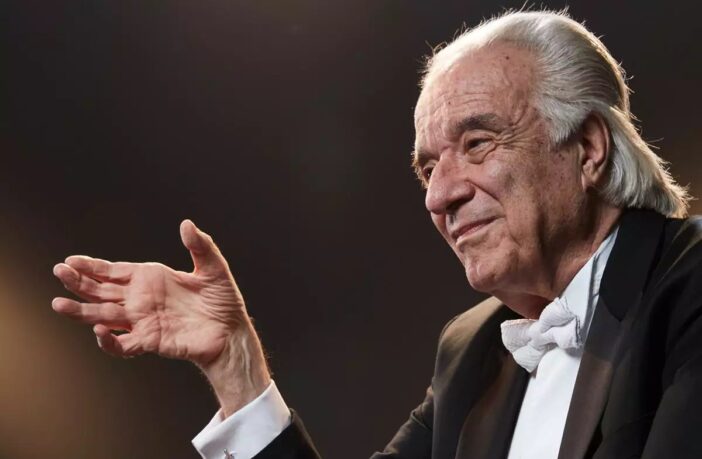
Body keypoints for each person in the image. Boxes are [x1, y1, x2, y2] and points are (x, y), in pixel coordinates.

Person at [52, 10, 702, 459]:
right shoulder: (471, 350)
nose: (439, 196)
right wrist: (233, 362)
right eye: (427, 168)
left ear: (588, 148)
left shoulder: (690, 285)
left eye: (477, 143)